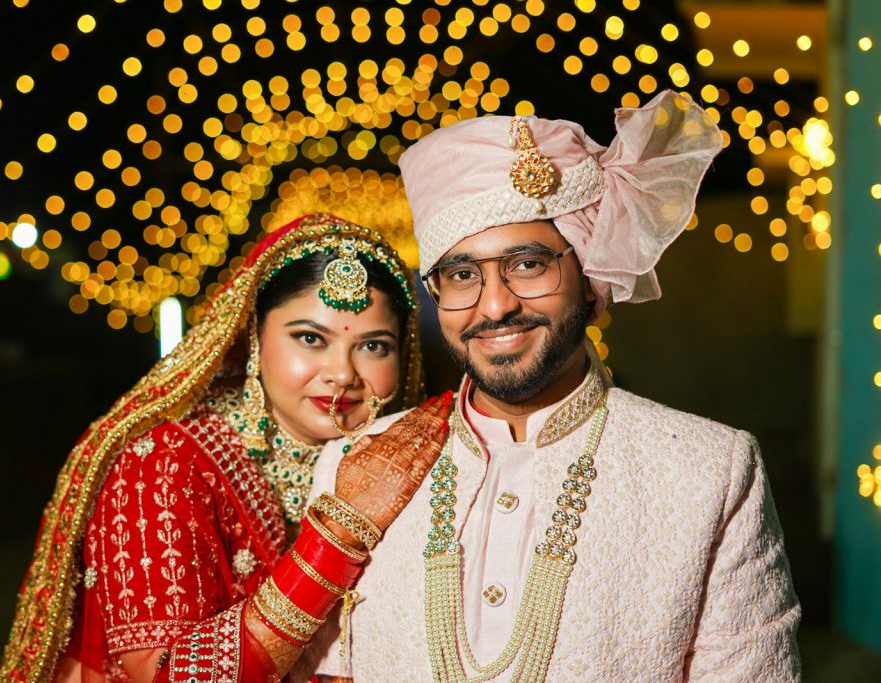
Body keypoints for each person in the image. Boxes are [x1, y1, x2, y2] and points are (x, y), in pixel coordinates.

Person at [298, 91, 801, 681]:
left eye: (528, 264)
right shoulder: (353, 464)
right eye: (461, 275)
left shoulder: (710, 471)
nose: (494, 305)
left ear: (589, 278)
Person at [0, 213, 452, 683]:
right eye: (310, 338)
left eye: (374, 346)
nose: (342, 373)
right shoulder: (163, 464)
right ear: (253, 336)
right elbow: (169, 676)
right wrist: (339, 534)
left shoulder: (411, 457)